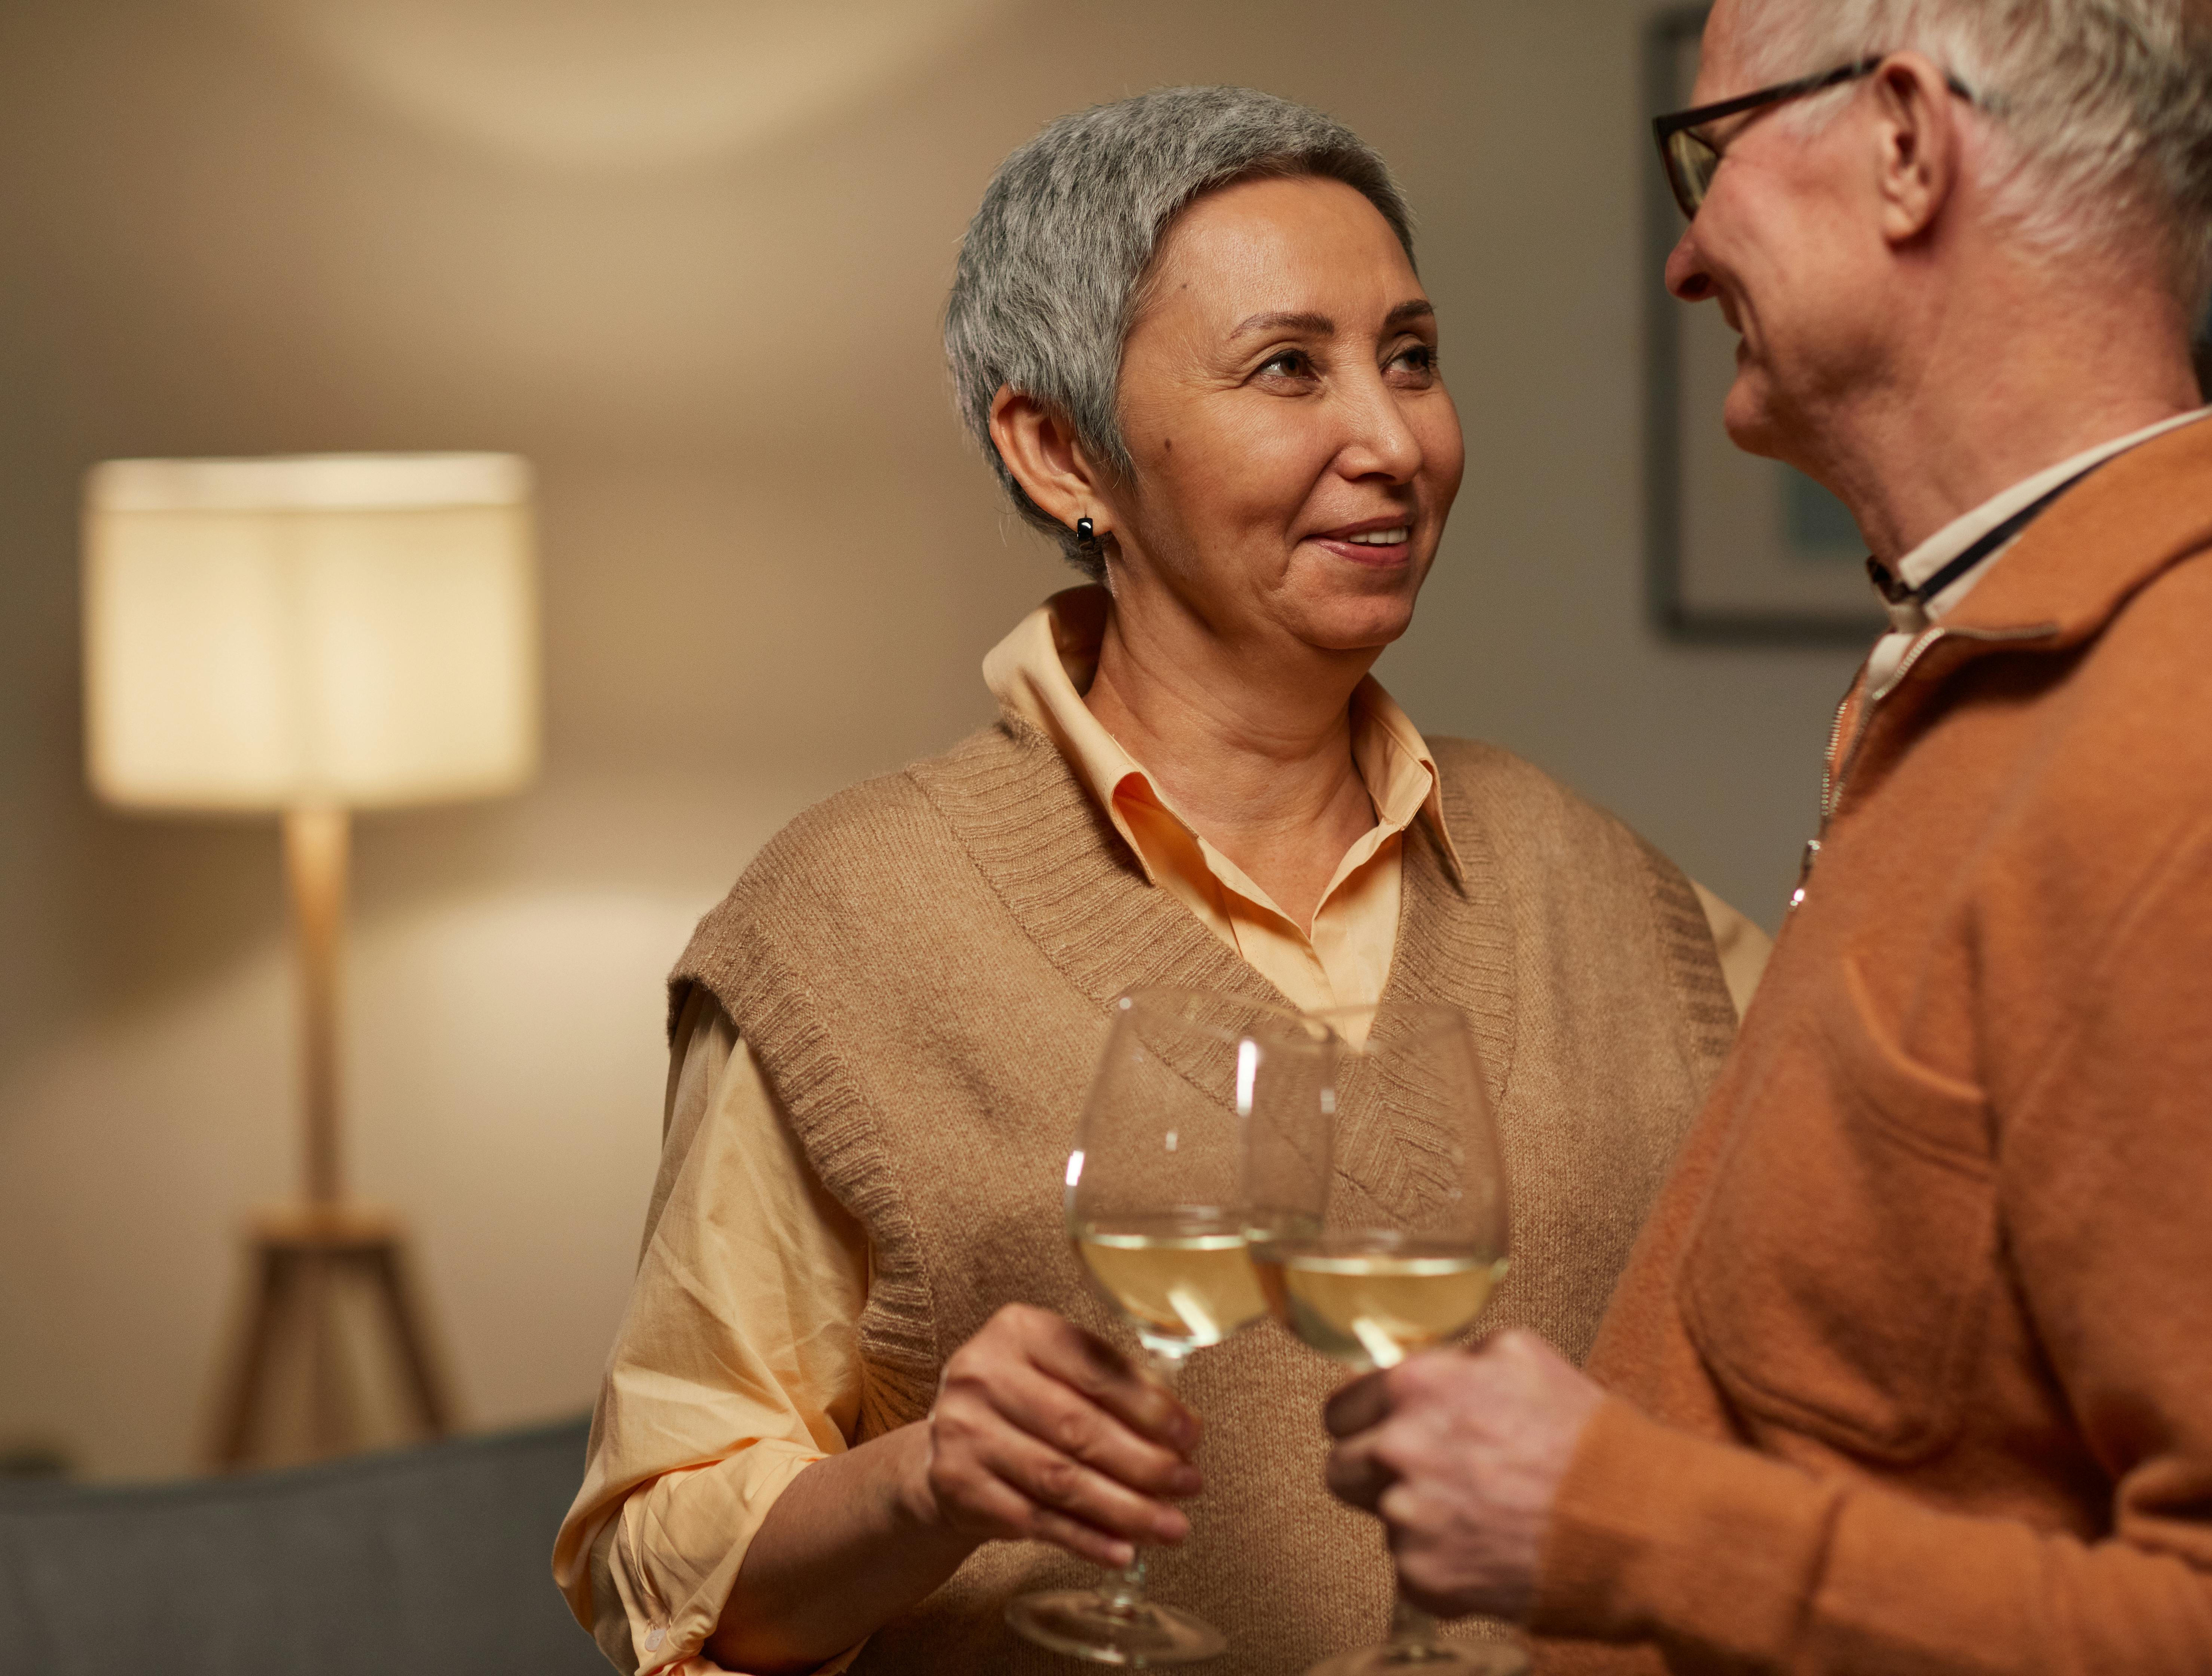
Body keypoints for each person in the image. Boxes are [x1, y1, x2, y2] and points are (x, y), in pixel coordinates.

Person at [554, 86, 1770, 1676]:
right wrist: (924, 1482)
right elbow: (666, 1564)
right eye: (1290, 368)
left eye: (1410, 356)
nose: (1395, 440)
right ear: (1060, 448)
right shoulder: (841, 926)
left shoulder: (1605, 888)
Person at [1323, 2, 2212, 1671]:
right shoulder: (1987, 655)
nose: (1687, 259)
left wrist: (1611, 1522)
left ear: (1906, 141)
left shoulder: (2205, 766)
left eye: (1715, 154)